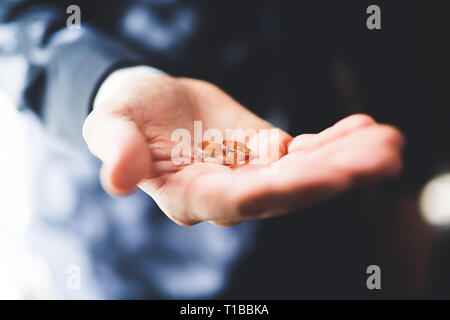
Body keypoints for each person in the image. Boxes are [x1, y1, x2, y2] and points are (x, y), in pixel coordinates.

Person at [0, 1, 404, 298]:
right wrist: (109, 81)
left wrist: (402, 190)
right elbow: (15, 22)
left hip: (307, 179)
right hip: (116, 233)